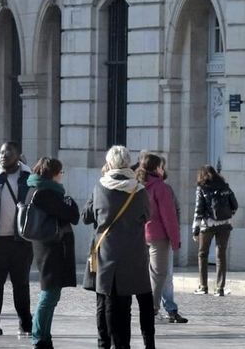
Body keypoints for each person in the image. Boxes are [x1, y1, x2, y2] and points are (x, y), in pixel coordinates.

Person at [88, 144, 155, 349]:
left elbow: (89, 215)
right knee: (126, 305)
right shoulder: (139, 190)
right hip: (133, 253)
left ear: (109, 163)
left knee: (108, 301)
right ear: (128, 163)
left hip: (107, 252)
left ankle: (105, 344)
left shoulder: (100, 187)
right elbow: (147, 216)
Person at [22, 156, 79, 349]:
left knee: (52, 294)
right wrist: (69, 201)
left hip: (46, 246)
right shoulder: (46, 193)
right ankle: (39, 336)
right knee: (49, 294)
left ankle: (44, 336)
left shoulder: (36, 189)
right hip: (50, 248)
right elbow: (72, 215)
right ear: (53, 174)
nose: (62, 176)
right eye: (60, 172)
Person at [0, 141, 34, 338]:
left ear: (18, 155)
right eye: (1, 152)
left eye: (8, 153)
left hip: (20, 240)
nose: (3, 156)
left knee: (21, 284)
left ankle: (25, 323)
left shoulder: (27, 177)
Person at [138, 151, 186, 323]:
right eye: (161, 166)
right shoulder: (160, 187)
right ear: (156, 168)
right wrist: (175, 240)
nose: (162, 169)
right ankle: (152, 309)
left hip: (139, 235)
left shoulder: (137, 185)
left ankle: (148, 307)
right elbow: (169, 216)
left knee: (144, 275)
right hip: (158, 236)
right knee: (158, 275)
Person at [192, 163, 237, 296]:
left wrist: (195, 230)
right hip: (225, 225)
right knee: (221, 255)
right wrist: (227, 215)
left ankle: (203, 286)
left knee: (202, 254)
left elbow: (198, 210)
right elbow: (235, 205)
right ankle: (220, 288)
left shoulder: (202, 188)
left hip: (208, 225)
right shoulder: (225, 186)